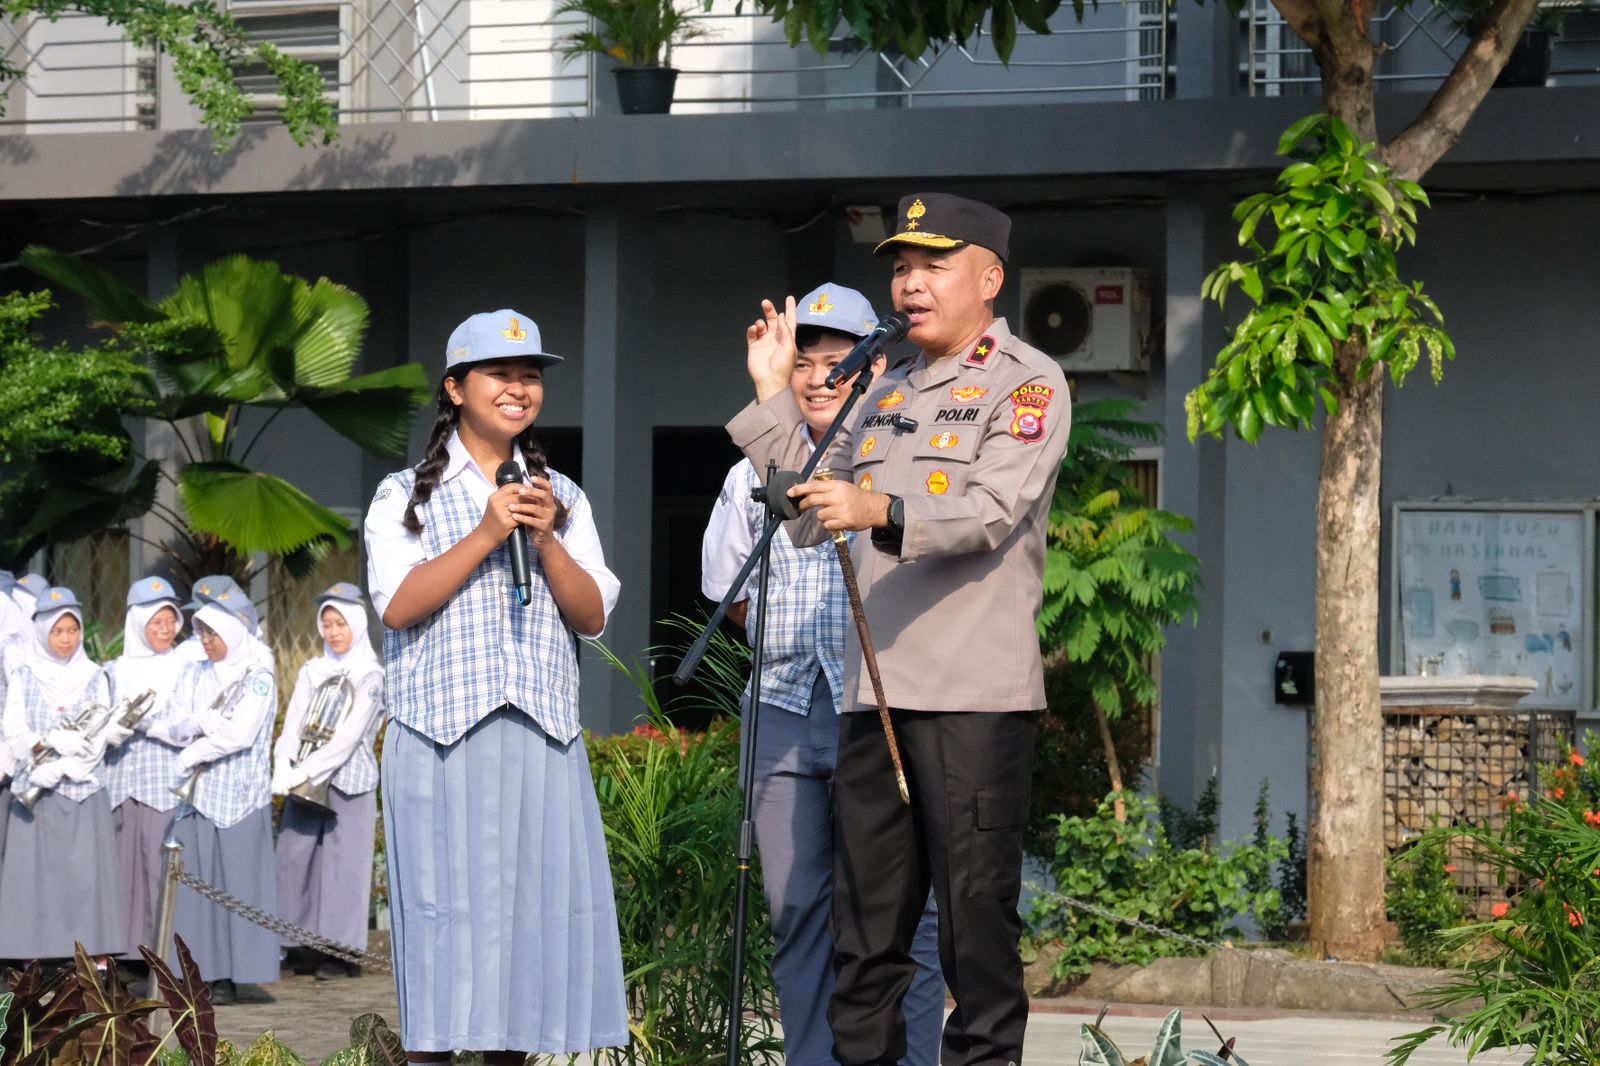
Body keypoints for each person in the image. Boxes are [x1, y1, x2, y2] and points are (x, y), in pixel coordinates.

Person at [728, 194, 1071, 1066]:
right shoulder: (880, 388)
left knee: (973, 936)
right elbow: (803, 508)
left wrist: (874, 504)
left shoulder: (1026, 382)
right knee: (865, 939)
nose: (909, 284)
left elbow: (992, 509)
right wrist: (774, 393)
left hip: (972, 702)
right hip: (871, 701)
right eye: (900, 267)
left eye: (931, 266)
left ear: (989, 279)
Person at [364, 309, 627, 1061]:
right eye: (500, 373)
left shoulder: (561, 495)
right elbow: (398, 605)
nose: (519, 388)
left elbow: (591, 616)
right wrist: (485, 534)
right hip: (440, 740)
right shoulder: (400, 496)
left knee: (528, 932)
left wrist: (542, 539)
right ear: (455, 387)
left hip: (541, 738)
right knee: (445, 927)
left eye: (531, 375)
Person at [701, 282, 946, 1066]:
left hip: (878, 708)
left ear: (873, 369)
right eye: (802, 362)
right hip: (779, 703)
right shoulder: (748, 471)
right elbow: (726, 596)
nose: (814, 379)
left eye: (835, 363)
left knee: (901, 907)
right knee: (796, 906)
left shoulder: (900, 454)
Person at [0, 587, 130, 961]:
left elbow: (98, 736)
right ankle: (34, 956)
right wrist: (43, 749)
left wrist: (63, 766)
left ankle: (93, 959)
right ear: (42, 632)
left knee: (84, 880)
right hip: (36, 791)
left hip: (82, 790)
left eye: (72, 631)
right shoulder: (25, 674)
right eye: (58, 631)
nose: (66, 639)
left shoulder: (95, 675)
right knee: (36, 879)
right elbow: (15, 727)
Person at [162, 602, 280, 1003]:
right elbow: (174, 722)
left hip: (240, 793)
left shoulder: (258, 677)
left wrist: (193, 752)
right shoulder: (193, 672)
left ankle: (236, 973)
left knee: (238, 883)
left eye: (213, 634)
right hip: (197, 797)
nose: (207, 642)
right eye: (202, 634)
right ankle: (201, 973)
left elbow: (240, 734)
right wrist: (199, 722)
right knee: (198, 888)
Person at [273, 582, 386, 980]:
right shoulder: (313, 669)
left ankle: (342, 952)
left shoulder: (371, 674)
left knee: (343, 866)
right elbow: (295, 723)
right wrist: (282, 764)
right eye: (327, 624)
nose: (334, 632)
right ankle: (298, 943)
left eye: (341, 623)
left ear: (356, 624)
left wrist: (305, 771)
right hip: (304, 777)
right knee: (294, 858)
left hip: (348, 781)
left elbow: (349, 737)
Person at [102, 577, 190, 960]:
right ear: (138, 623)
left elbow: (186, 725)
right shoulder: (113, 670)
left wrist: (144, 722)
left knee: (159, 873)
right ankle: (126, 955)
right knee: (122, 874)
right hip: (121, 782)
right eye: (156, 621)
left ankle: (162, 956)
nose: (165, 629)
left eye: (170, 620)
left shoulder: (187, 666)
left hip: (166, 783)